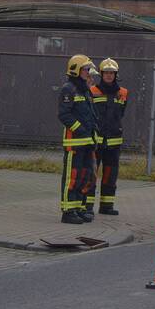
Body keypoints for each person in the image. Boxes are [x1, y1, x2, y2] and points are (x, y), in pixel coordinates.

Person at [57, 54, 99, 224]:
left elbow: (91, 115)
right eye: (85, 70)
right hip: (74, 142)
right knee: (72, 177)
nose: (88, 73)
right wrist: (80, 130)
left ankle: (79, 208)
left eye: (89, 70)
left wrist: (93, 134)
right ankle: (68, 211)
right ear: (76, 70)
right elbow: (64, 114)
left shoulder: (85, 89)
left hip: (87, 142)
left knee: (85, 176)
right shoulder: (69, 89)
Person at [87, 58, 129, 216]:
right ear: (101, 74)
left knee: (111, 175)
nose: (109, 76)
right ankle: (88, 207)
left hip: (114, 141)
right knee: (92, 174)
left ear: (115, 74)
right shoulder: (92, 92)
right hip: (97, 141)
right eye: (106, 73)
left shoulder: (123, 93)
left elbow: (121, 113)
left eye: (112, 73)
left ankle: (107, 206)